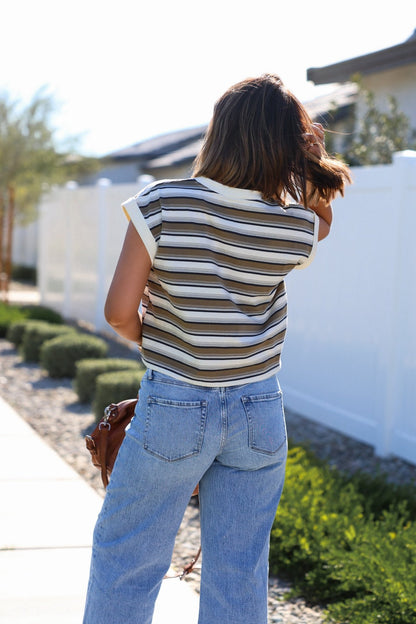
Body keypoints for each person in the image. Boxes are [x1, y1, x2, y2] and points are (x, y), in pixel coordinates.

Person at [83, 73, 351, 624]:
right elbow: (320, 220)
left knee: (127, 556)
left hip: (176, 405)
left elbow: (116, 311)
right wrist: (309, 160)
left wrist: (153, 339)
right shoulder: (291, 224)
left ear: (219, 133)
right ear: (287, 144)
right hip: (258, 411)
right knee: (238, 570)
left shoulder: (162, 204)